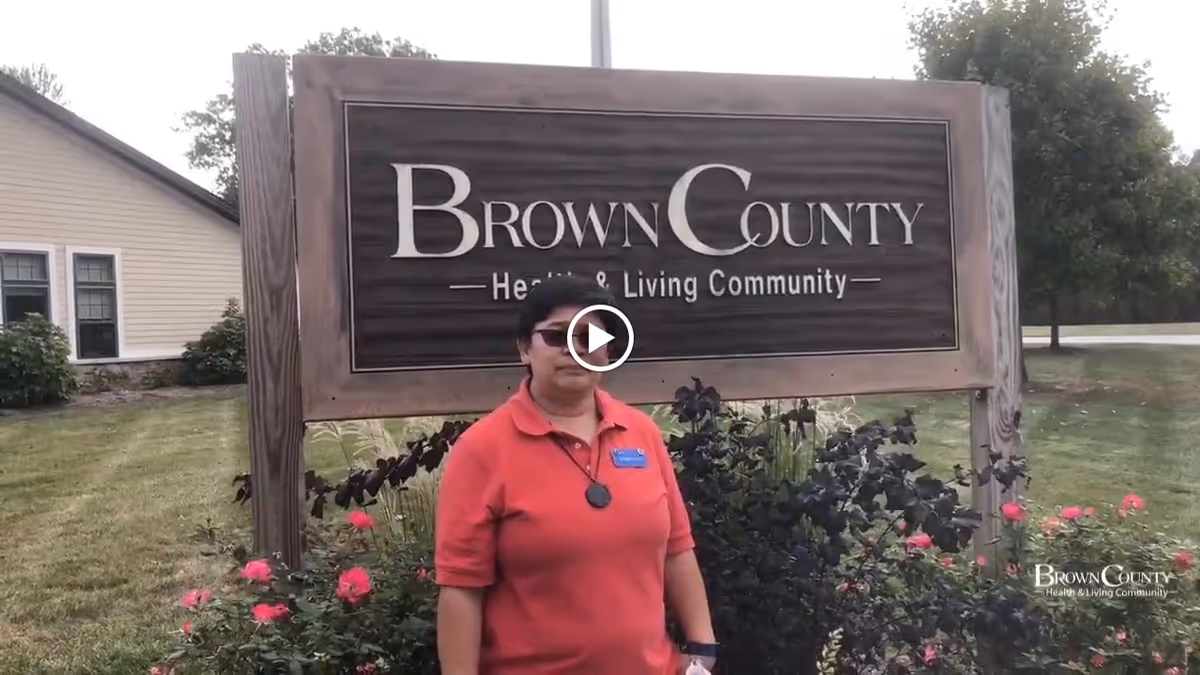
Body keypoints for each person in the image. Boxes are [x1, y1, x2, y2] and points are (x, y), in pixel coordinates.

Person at [434, 275, 718, 675]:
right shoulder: (482, 450)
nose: (575, 349)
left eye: (591, 338)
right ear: (523, 349)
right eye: (555, 336)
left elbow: (677, 548)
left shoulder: (641, 432)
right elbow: (462, 589)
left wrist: (704, 650)